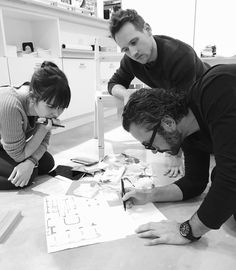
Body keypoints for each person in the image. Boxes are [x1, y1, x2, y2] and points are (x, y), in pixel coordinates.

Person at [121, 63, 236, 245]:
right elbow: (194, 182)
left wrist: (187, 230)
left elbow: (231, 177)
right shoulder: (186, 128)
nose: (155, 151)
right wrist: (150, 195)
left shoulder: (219, 88)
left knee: (223, 185)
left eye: (150, 144)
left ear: (167, 123)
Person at [108, 9, 210, 177]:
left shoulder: (179, 55)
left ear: (147, 29)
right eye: (125, 49)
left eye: (134, 42)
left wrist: (174, 152)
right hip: (179, 101)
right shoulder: (132, 60)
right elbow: (114, 83)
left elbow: (181, 111)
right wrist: (125, 94)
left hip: (204, 103)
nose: (133, 53)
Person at [0, 61, 71, 190]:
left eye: (61, 108)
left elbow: (44, 143)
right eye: (51, 107)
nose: (56, 113)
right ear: (33, 98)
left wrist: (31, 162)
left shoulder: (42, 103)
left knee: (46, 162)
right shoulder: (11, 104)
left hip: (5, 145)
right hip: (6, 146)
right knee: (24, 176)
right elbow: (19, 155)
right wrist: (43, 129)